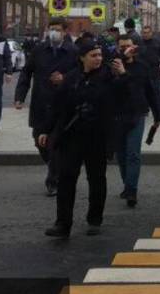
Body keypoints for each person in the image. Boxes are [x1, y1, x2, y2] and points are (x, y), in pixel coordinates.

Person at [39, 40, 128, 238]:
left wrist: (123, 75)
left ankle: (94, 219)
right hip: (72, 136)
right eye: (93, 55)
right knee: (66, 179)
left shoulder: (108, 76)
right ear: (82, 57)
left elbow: (124, 96)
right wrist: (45, 130)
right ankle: (63, 223)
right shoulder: (72, 78)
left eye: (99, 55)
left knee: (96, 179)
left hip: (98, 137)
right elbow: (57, 106)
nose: (98, 59)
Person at [15, 18, 78, 196]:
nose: (54, 32)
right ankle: (54, 167)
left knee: (56, 143)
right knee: (39, 141)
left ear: (65, 31)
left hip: (63, 105)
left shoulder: (73, 51)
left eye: (58, 29)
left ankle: (53, 180)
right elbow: (27, 73)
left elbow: (81, 72)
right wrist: (20, 96)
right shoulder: (39, 50)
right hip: (41, 103)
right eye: (51, 29)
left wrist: (65, 79)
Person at [113, 35, 160, 207]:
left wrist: (157, 115)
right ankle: (127, 184)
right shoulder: (111, 66)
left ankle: (131, 190)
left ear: (134, 47)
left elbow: (149, 91)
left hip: (137, 113)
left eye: (128, 46)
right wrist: (120, 66)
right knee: (121, 154)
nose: (126, 49)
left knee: (133, 153)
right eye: (122, 47)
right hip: (117, 115)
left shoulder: (142, 66)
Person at [138, 25, 160, 111]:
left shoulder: (157, 42)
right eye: (144, 33)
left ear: (151, 33)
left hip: (154, 70)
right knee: (144, 91)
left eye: (148, 32)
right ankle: (145, 109)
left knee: (158, 91)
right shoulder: (139, 43)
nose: (146, 34)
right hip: (143, 71)